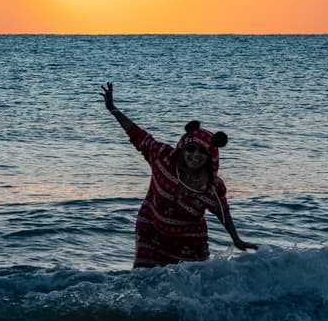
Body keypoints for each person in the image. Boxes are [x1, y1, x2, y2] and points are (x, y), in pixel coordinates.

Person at [100, 82, 258, 268]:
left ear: (210, 157)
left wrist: (237, 239)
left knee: (188, 292)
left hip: (189, 244)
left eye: (202, 151)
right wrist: (113, 109)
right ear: (182, 148)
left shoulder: (212, 186)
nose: (196, 155)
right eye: (191, 149)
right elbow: (138, 135)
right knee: (143, 281)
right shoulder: (162, 157)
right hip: (151, 234)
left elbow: (222, 212)